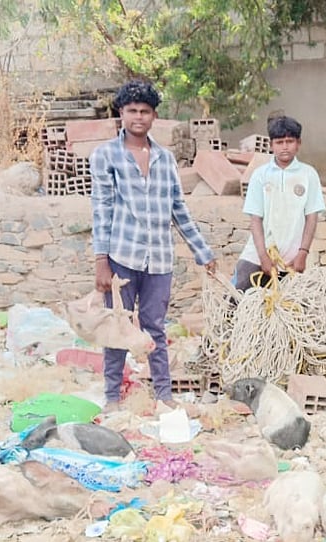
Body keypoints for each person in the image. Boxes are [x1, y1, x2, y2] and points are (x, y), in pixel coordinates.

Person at [90, 80, 217, 411]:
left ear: (154, 116)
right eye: (132, 111)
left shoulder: (165, 158)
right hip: (121, 256)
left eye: (145, 111)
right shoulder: (106, 155)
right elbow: (102, 210)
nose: (138, 117)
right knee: (117, 328)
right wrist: (101, 260)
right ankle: (112, 397)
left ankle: (164, 395)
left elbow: (179, 210)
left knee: (155, 328)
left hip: (159, 259)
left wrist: (202, 252)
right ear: (121, 113)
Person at [232, 116, 326, 290]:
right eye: (279, 142)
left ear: (298, 143)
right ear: (271, 145)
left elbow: (312, 217)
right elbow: (255, 219)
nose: (284, 147)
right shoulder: (260, 175)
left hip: (294, 256)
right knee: (237, 293)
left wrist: (303, 252)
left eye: (289, 141)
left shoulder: (308, 174)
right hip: (258, 253)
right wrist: (263, 256)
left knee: (299, 300)